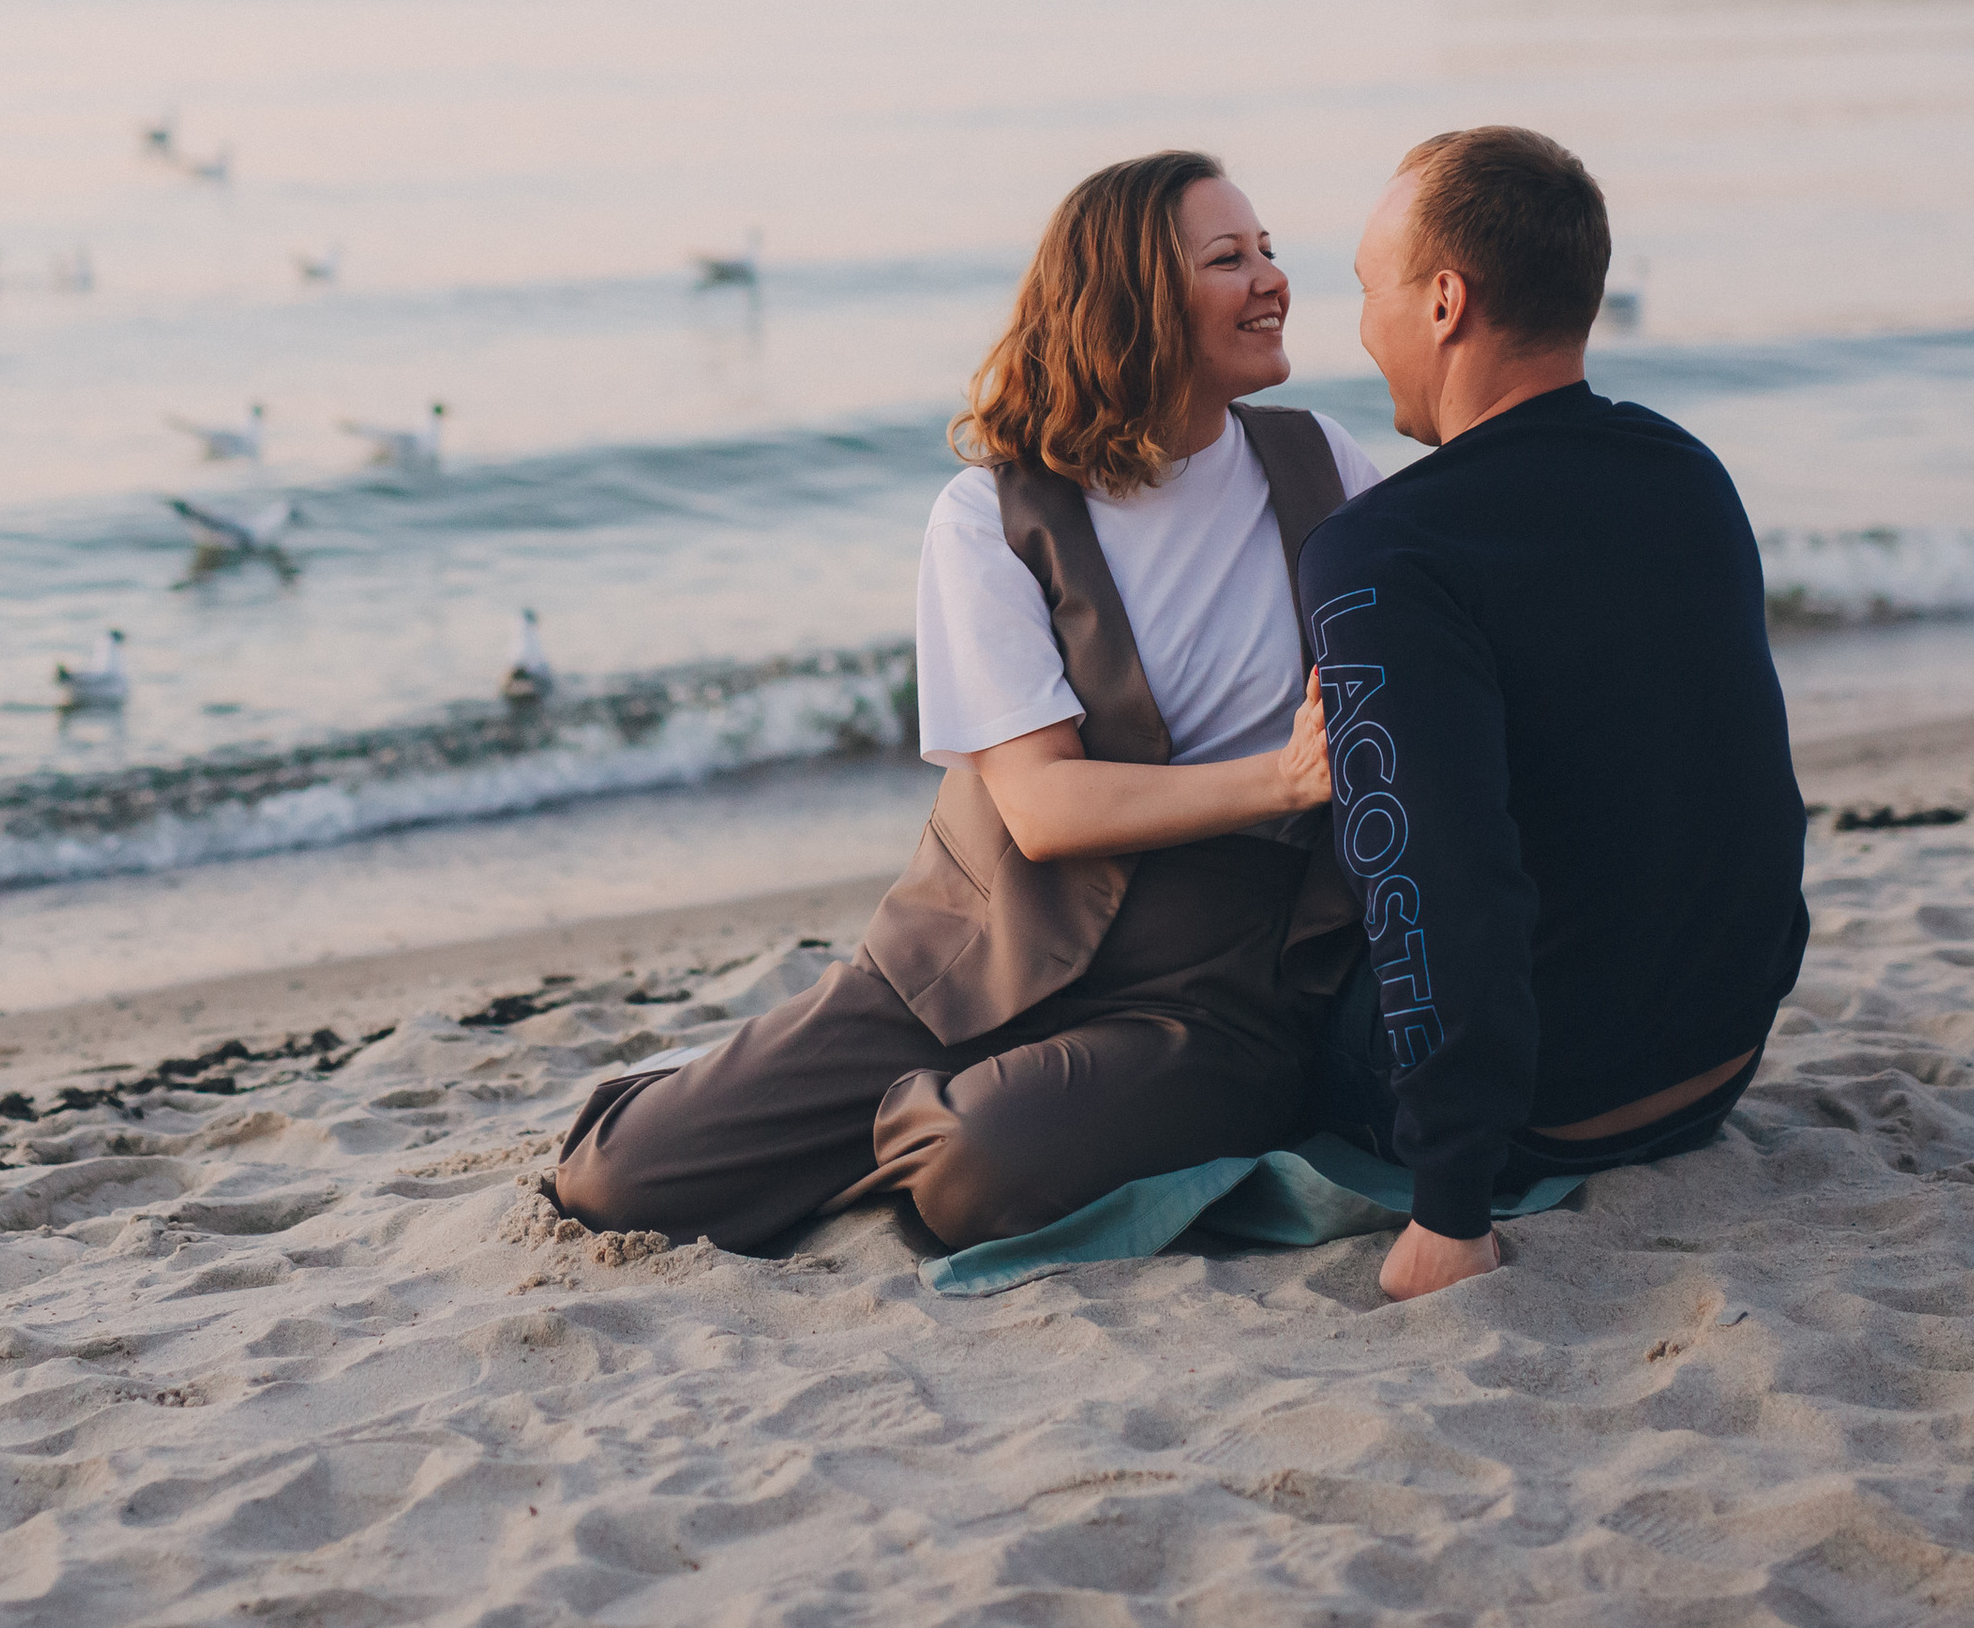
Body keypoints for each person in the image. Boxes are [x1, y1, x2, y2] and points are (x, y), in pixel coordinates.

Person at [556, 150, 1388, 1254]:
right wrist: (1278, 778)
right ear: (1134, 297)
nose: (1273, 278)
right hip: (973, 947)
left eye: (1269, 250)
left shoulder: (1323, 465)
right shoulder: (990, 513)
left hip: (1210, 992)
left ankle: (957, 1110)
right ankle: (760, 1083)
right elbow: (1042, 811)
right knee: (616, 1180)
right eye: (1228, 257)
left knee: (976, 1171)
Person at [1299, 127, 1809, 1303]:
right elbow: (1745, 783)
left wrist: (1449, 1208)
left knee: (1276, 962)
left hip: (1552, 1112)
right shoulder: (1683, 468)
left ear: (1442, 302)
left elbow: (1432, 878)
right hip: (1717, 1059)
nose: (1362, 326)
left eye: (1368, 290)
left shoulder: (1382, 549)